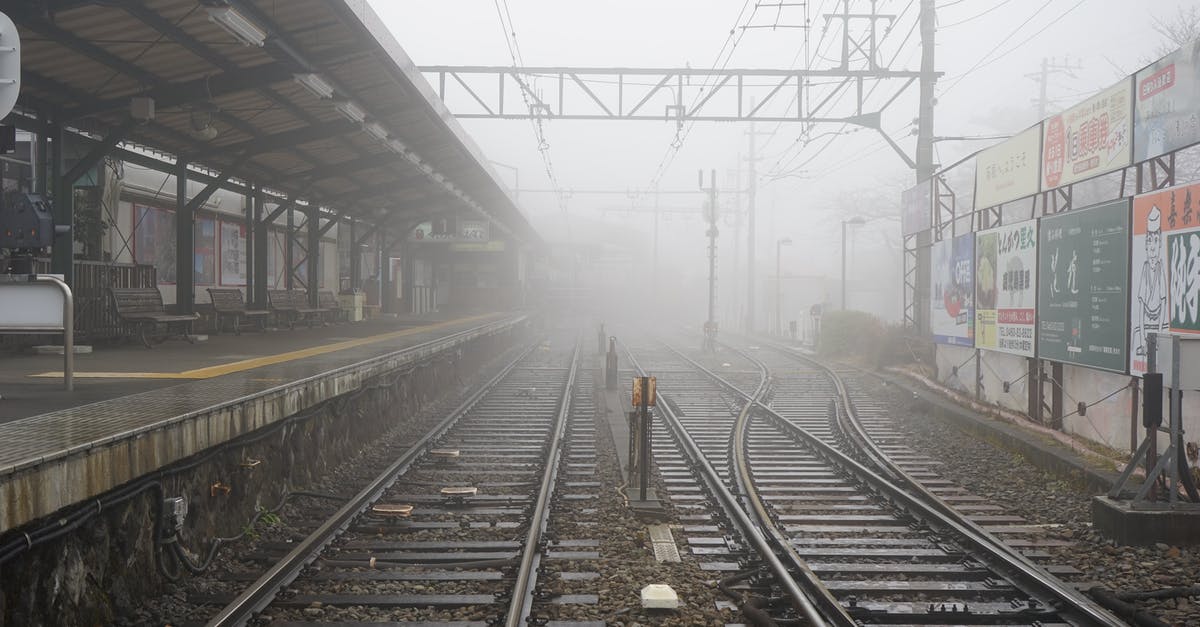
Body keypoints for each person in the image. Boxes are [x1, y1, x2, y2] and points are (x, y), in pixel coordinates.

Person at [1135, 206, 1168, 356]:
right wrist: (1142, 341)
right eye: (1149, 240)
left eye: (1155, 240)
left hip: (1159, 326)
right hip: (1146, 327)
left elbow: (1163, 303)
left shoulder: (1161, 269)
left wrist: (1160, 339)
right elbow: (1141, 308)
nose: (1152, 246)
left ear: (1160, 242)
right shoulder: (1145, 268)